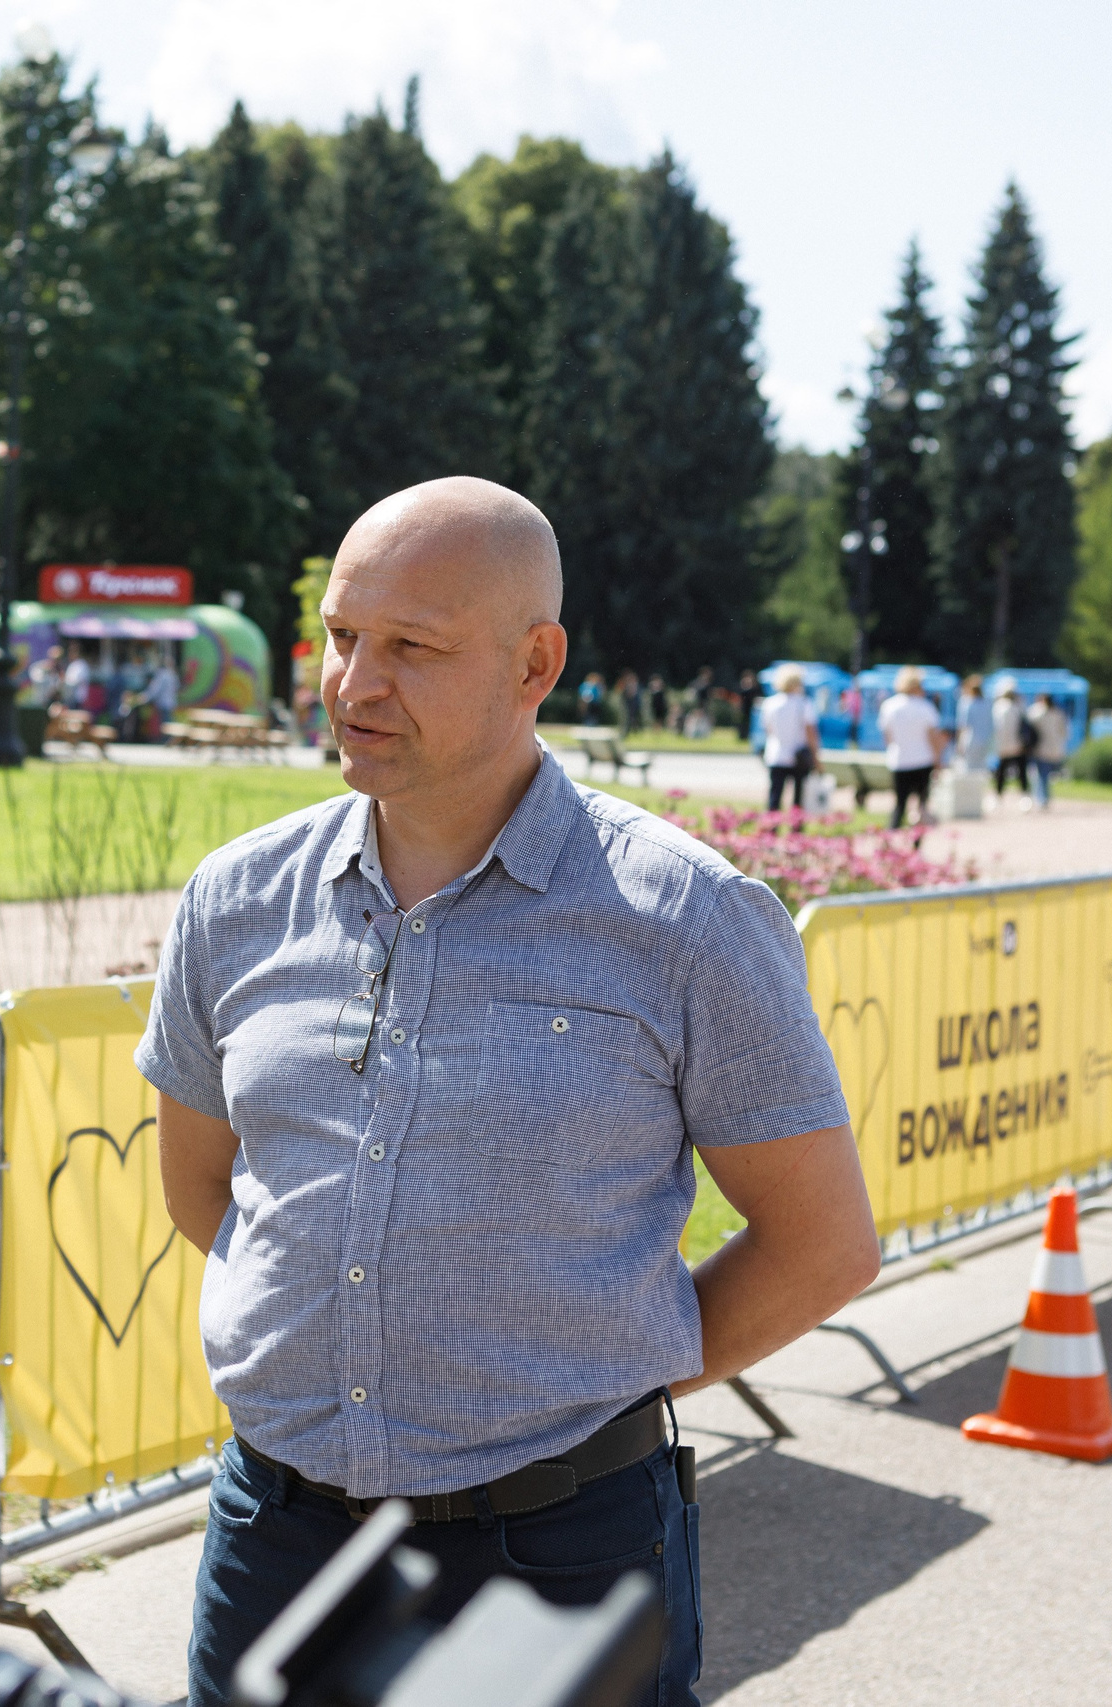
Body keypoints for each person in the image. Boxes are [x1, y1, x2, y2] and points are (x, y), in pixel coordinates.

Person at [142, 478, 877, 1707]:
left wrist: (582, 1379)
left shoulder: (685, 919)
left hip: (558, 1549)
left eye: (411, 648)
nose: (352, 683)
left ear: (535, 663)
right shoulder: (235, 899)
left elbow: (822, 1244)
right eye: (340, 636)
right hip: (280, 1535)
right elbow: (204, 1189)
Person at [877, 665, 947, 830]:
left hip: (899, 760)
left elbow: (888, 738)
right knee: (921, 806)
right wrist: (938, 760)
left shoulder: (889, 706)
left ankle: (891, 840)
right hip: (923, 761)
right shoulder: (926, 707)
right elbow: (933, 738)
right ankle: (916, 845)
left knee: (900, 804)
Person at [761, 665, 817, 812]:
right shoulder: (804, 703)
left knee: (775, 797)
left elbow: (768, 730)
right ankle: (796, 830)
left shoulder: (769, 703)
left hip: (776, 754)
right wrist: (816, 756)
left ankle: (771, 828)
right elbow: (810, 732)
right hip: (798, 755)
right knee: (798, 799)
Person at [990, 680, 1031, 807]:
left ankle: (998, 796)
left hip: (1004, 746)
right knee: (1021, 772)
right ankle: (1024, 797)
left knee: (1002, 772)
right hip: (1018, 745)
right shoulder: (1019, 706)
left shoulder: (998, 707)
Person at [1029, 691, 1070, 808]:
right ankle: (1044, 797)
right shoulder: (1058, 714)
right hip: (1054, 748)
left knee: (1041, 774)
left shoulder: (1037, 713)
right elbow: (1065, 732)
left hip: (1041, 748)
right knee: (1044, 774)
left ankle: (1042, 798)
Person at [954, 674, 994, 771]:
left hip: (970, 740)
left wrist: (959, 742)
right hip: (986, 739)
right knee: (982, 767)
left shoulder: (966, 703)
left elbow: (962, 725)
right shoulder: (988, 703)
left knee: (969, 768)